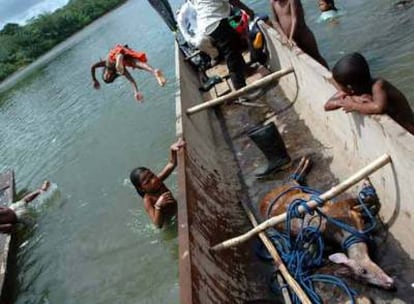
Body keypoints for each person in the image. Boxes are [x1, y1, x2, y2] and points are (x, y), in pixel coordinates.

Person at [324, 52, 414, 134]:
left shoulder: (378, 85)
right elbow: (327, 106)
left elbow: (378, 107)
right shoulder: (352, 91)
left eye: (340, 85)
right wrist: (351, 100)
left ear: (349, 88)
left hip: (409, 126)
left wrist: (354, 106)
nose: (340, 89)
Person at [191, 0, 255, 91]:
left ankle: (245, 70)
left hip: (210, 24)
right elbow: (233, 1)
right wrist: (248, 11)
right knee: (231, 55)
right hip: (216, 23)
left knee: (234, 45)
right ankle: (240, 88)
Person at [130, 138, 185, 228]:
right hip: (169, 224)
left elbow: (172, 164)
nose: (153, 180)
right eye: (148, 181)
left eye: (152, 175)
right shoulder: (148, 200)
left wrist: (172, 149)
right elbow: (157, 224)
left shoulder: (158, 180)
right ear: (141, 188)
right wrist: (158, 206)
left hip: (177, 211)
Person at [91, 44, 166, 102]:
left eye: (105, 76)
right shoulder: (120, 71)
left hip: (117, 52)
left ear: (104, 72)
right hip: (124, 55)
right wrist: (136, 92)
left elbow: (93, 67)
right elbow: (131, 80)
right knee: (136, 64)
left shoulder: (105, 64)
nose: (108, 75)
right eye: (109, 77)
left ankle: (118, 57)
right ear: (113, 76)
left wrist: (94, 79)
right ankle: (154, 72)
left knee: (110, 62)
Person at [270, 0, 329, 68]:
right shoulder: (273, 3)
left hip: (303, 34)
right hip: (290, 39)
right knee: (305, 63)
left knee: (316, 57)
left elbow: (295, 18)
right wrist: (284, 36)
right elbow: (275, 21)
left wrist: (290, 37)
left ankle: (330, 74)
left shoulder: (291, 1)